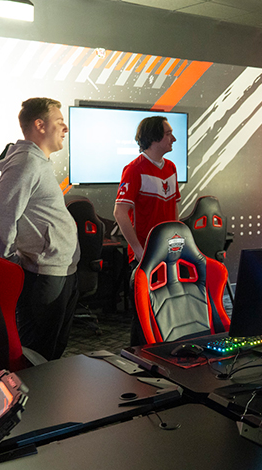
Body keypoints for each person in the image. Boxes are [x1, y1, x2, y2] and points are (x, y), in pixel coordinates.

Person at [0, 97, 80, 360]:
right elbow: (0, 215)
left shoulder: (39, 161)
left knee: (52, 353)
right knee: (35, 357)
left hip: (60, 270)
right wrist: (10, 264)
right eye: (59, 121)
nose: (65, 128)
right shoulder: (27, 161)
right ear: (40, 125)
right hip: (43, 274)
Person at [113, 116, 181, 345]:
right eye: (168, 134)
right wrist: (139, 250)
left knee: (168, 312)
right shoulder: (134, 169)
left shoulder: (171, 167)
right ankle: (139, 359)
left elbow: (174, 208)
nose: (173, 138)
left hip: (169, 253)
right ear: (154, 137)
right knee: (144, 317)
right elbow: (120, 213)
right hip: (146, 257)